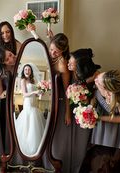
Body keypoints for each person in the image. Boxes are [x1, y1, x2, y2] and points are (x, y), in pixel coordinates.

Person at [86, 70, 120, 173]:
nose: (95, 80)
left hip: (118, 130)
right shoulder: (102, 79)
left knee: (110, 161)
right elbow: (95, 92)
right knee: (97, 157)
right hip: (103, 128)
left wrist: (100, 118)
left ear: (107, 89)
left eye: (98, 82)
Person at [67, 48, 101, 173]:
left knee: (84, 144)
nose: (68, 62)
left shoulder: (94, 74)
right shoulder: (70, 72)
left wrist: (90, 107)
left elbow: (98, 95)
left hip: (88, 114)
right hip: (74, 112)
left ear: (79, 63)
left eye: (71, 60)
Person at [47, 33, 71, 172]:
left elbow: (67, 90)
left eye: (56, 51)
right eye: (51, 49)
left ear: (63, 51)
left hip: (60, 100)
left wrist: (67, 112)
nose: (52, 53)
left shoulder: (62, 64)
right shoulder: (51, 53)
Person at [14, 63, 46, 156]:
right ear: (23, 71)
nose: (27, 71)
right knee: (28, 122)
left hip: (34, 102)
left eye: (28, 69)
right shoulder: (23, 80)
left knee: (35, 122)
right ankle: (26, 147)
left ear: (31, 71)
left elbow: (35, 94)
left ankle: (36, 148)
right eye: (25, 70)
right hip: (27, 103)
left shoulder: (33, 80)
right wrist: (35, 91)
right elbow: (24, 94)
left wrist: (39, 93)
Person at [0, 46, 17, 153]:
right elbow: (1, 94)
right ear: (3, 63)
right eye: (7, 59)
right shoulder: (1, 75)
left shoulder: (21, 64)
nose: (12, 58)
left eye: (10, 54)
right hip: (6, 105)